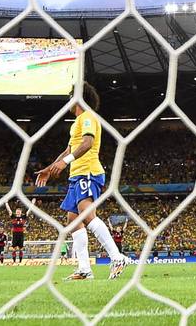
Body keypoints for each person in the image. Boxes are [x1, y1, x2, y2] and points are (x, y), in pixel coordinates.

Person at [34, 85, 130, 281]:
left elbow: (88, 143)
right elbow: (68, 151)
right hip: (76, 175)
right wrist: (50, 169)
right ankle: (84, 269)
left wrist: (64, 163)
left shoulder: (87, 116)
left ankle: (117, 257)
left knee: (86, 214)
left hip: (88, 171)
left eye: (71, 96)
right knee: (73, 221)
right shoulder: (77, 122)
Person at [5, 200, 35, 264]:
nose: (18, 212)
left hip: (21, 234)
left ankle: (20, 261)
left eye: (19, 212)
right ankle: (14, 261)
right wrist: (6, 203)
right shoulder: (13, 216)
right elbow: (9, 210)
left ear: (21, 212)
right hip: (15, 234)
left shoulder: (23, 217)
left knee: (21, 248)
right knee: (14, 248)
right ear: (16, 212)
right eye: (17, 211)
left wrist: (32, 203)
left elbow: (29, 210)